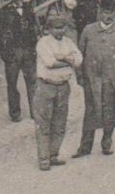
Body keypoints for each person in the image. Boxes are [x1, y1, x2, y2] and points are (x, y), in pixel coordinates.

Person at [75, 0, 115, 157]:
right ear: (98, 11)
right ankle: (85, 147)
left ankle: (106, 142)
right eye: (104, 12)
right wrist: (80, 76)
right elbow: (79, 56)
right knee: (91, 111)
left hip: (112, 79)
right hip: (92, 79)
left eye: (110, 13)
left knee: (110, 109)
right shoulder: (88, 30)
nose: (107, 16)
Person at [33, 9, 82, 171]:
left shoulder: (68, 42)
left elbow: (79, 59)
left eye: (62, 27)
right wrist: (68, 60)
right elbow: (50, 62)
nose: (59, 31)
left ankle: (53, 155)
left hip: (63, 87)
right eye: (55, 28)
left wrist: (64, 58)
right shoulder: (43, 43)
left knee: (60, 123)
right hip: (46, 86)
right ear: (48, 29)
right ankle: (44, 158)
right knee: (44, 123)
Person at [0, 0, 39, 122]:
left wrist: (34, 46)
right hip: (12, 53)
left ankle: (35, 111)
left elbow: (34, 29)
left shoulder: (29, 9)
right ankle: (15, 113)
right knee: (12, 83)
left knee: (32, 81)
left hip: (28, 51)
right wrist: (5, 47)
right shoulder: (3, 12)